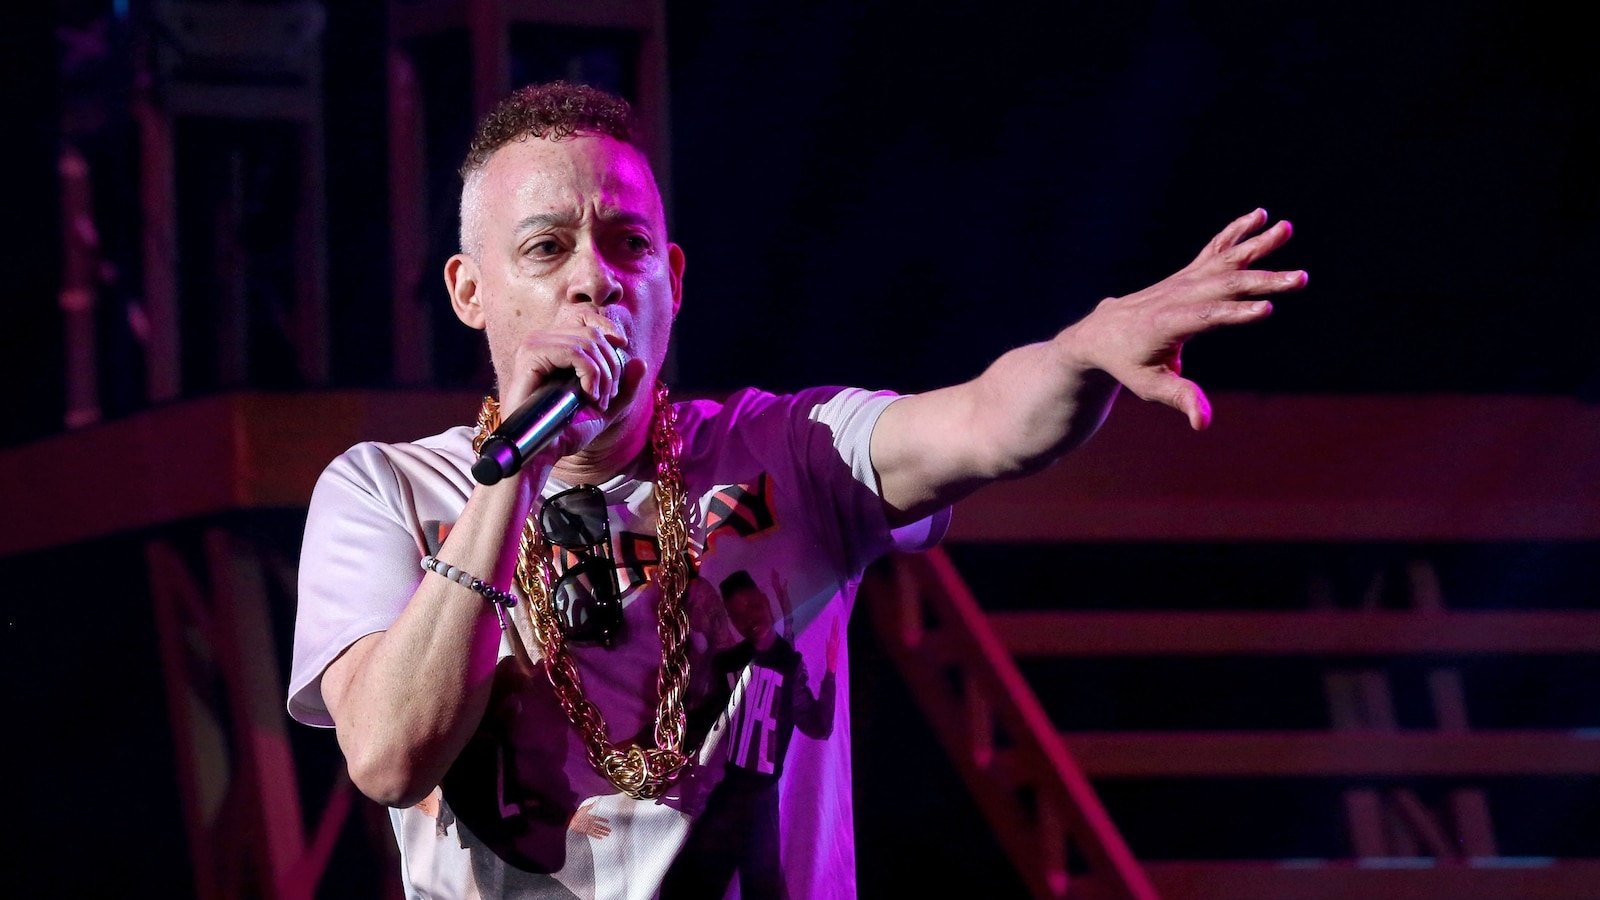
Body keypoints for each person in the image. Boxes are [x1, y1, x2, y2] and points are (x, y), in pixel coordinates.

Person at [286, 81, 1306, 899]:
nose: (595, 280)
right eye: (546, 248)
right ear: (470, 290)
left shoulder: (790, 451)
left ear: (672, 280)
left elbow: (991, 422)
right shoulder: (385, 492)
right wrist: (516, 467)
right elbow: (388, 758)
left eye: (629, 244)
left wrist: (1081, 352)